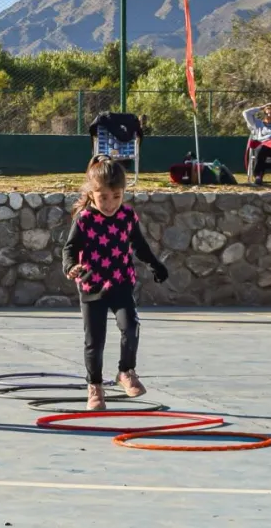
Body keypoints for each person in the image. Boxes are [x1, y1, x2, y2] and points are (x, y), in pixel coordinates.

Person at [62, 156, 169, 410]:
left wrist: (155, 264)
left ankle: (126, 371)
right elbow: (70, 248)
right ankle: (95, 386)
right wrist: (70, 267)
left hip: (121, 282)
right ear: (92, 193)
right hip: (92, 286)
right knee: (95, 340)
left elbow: (139, 246)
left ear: (123, 193)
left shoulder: (128, 216)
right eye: (103, 197)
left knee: (130, 325)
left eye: (116, 196)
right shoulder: (85, 219)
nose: (110, 204)